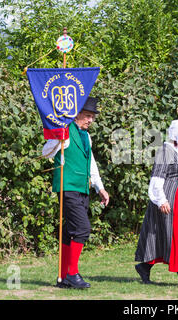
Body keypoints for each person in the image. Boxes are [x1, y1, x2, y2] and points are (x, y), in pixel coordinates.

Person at [42, 97, 110, 289]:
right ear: (77, 114)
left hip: (82, 188)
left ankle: (63, 277)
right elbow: (46, 152)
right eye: (88, 116)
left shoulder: (86, 136)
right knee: (82, 229)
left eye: (92, 117)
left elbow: (92, 163)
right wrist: (59, 142)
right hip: (67, 186)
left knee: (69, 232)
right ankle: (72, 273)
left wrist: (100, 187)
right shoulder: (64, 130)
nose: (91, 120)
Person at [134, 119, 178, 288]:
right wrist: (161, 199)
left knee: (169, 235)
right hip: (169, 197)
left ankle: (144, 266)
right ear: (176, 135)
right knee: (176, 236)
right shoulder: (165, 152)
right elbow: (157, 177)